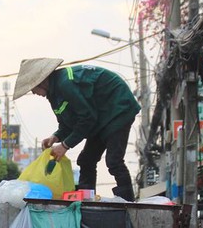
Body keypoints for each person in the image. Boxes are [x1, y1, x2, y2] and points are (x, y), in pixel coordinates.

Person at [13, 58, 140, 201]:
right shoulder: (53, 94)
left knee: (114, 160)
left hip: (117, 108)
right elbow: (67, 124)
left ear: (41, 81)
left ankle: (128, 203)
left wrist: (65, 145)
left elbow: (87, 119)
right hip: (99, 118)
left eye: (33, 88)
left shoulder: (65, 83)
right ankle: (86, 201)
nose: (33, 92)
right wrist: (55, 137)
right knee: (86, 160)